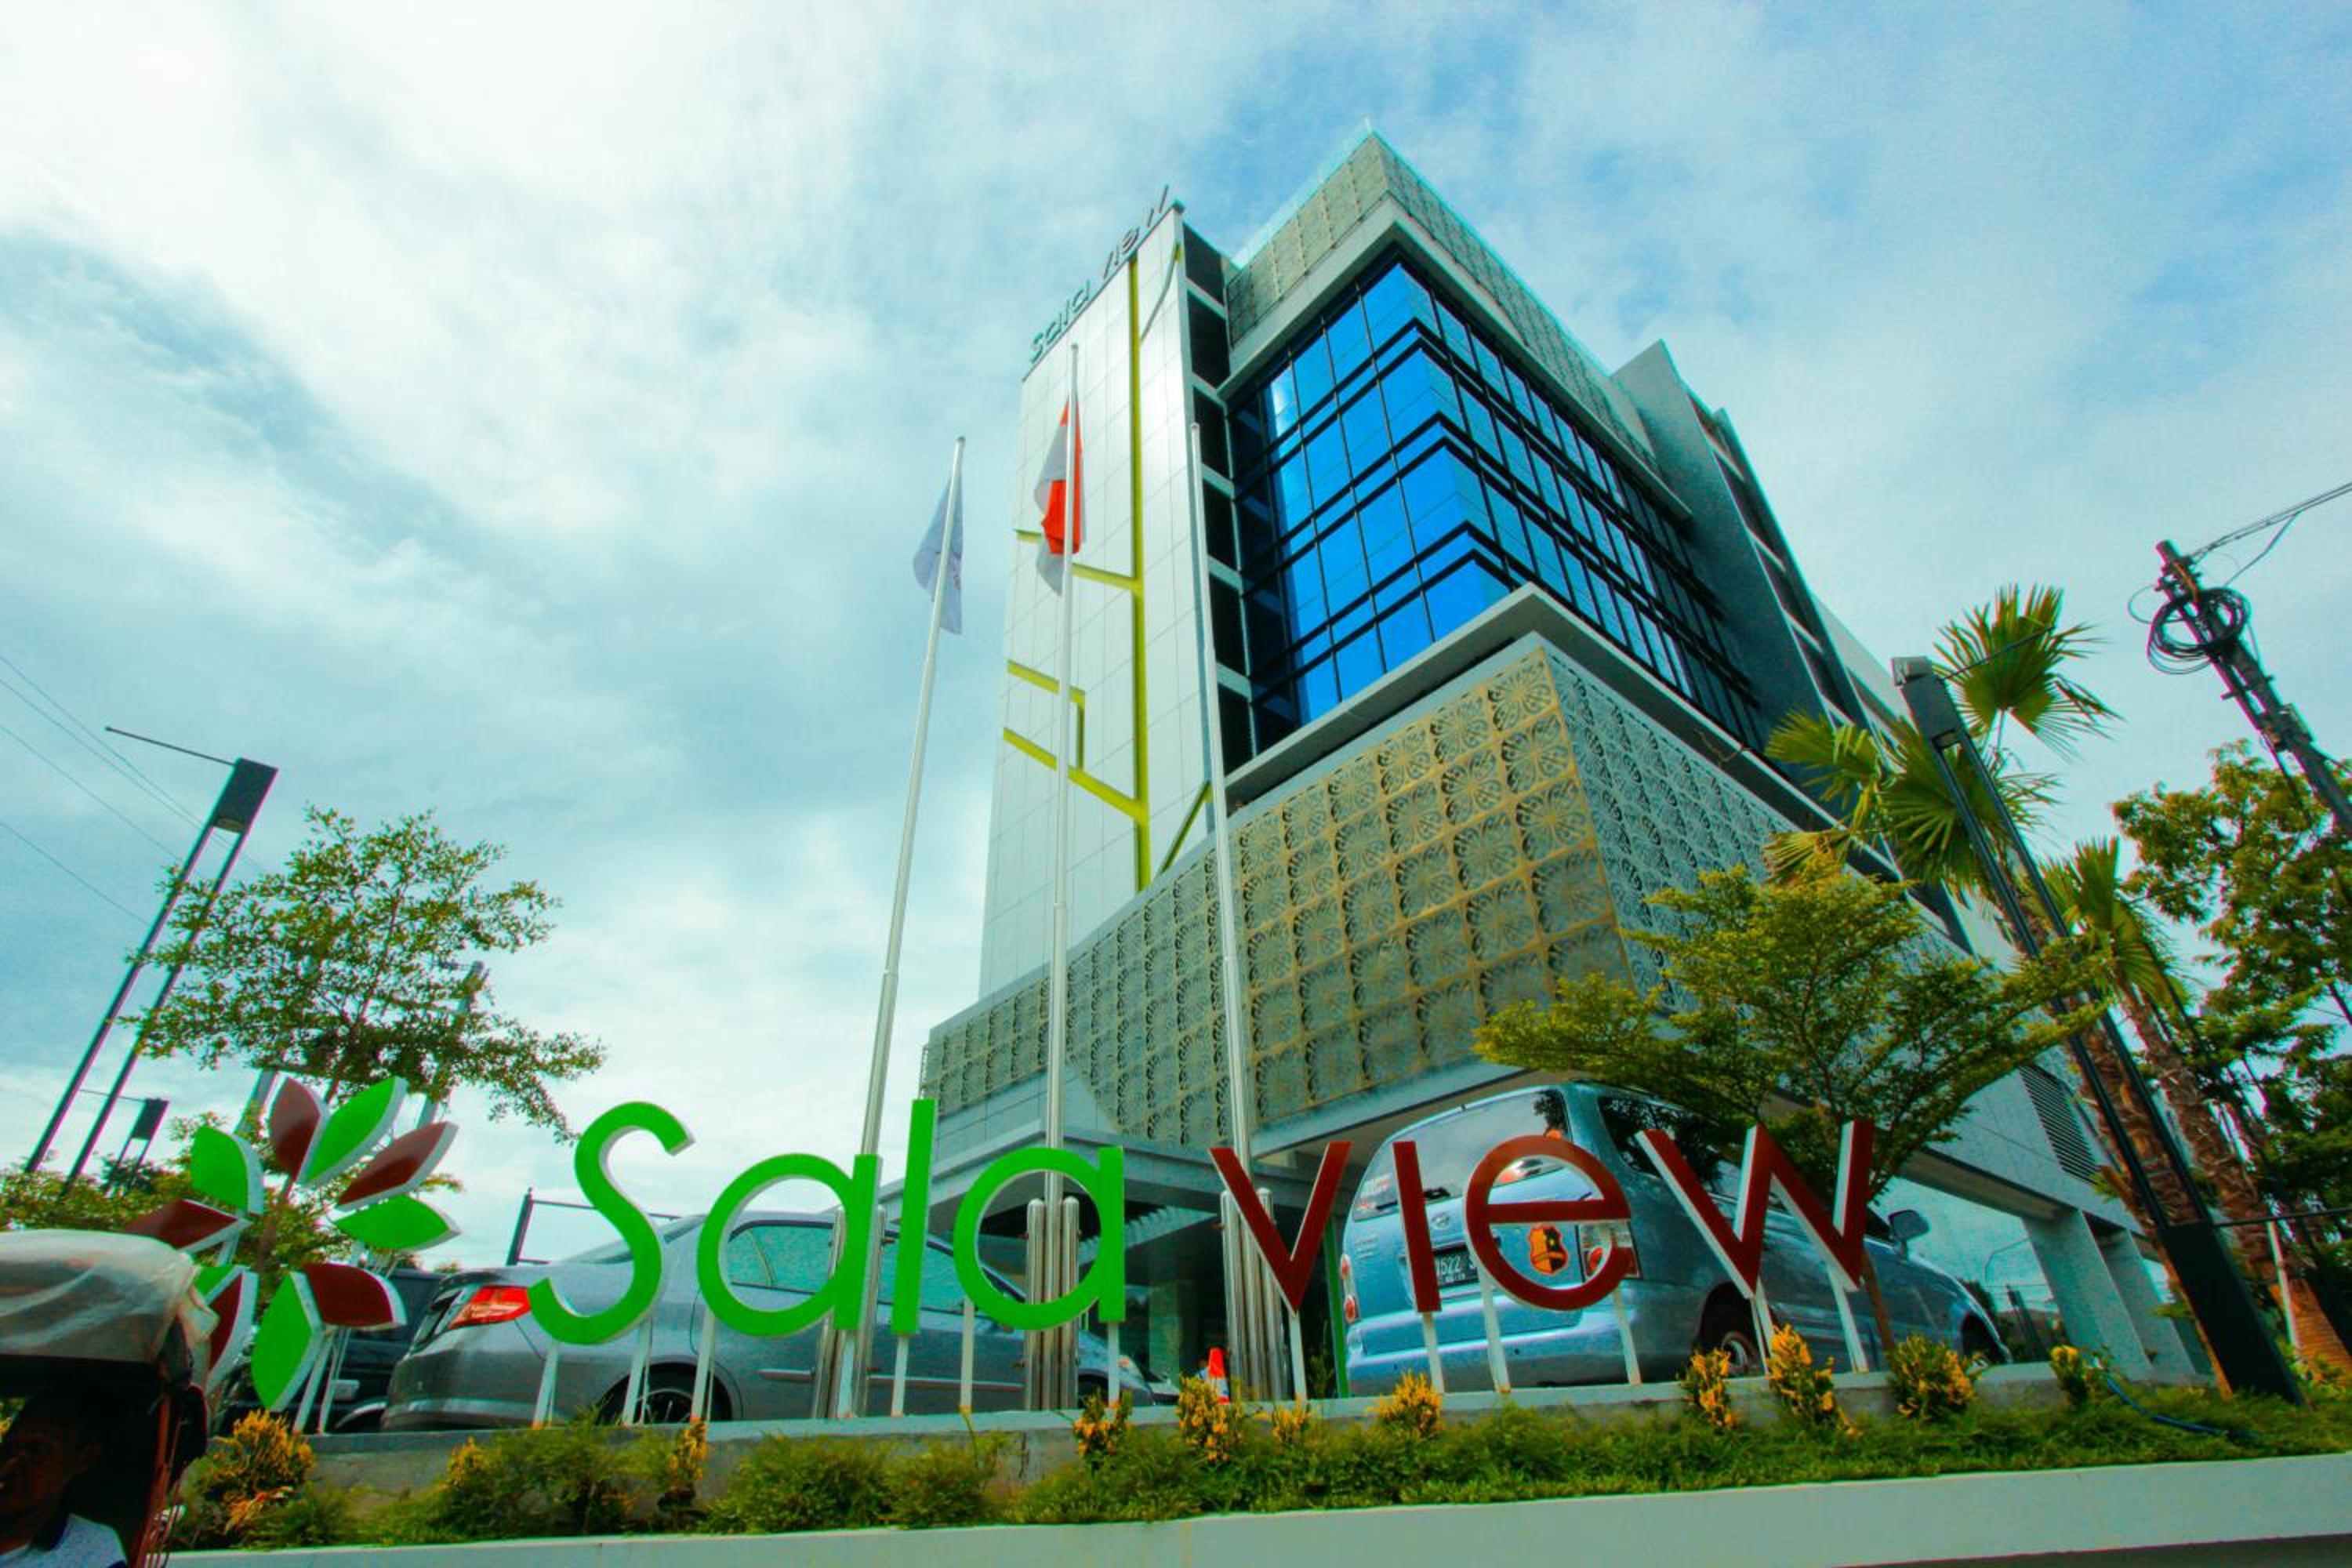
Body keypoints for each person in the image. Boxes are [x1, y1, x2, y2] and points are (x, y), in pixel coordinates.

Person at [0, 1389, 127, 1567]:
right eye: (11, 1445)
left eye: (37, 1449)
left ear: (84, 1459)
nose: (11, 1464)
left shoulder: (93, 1551)